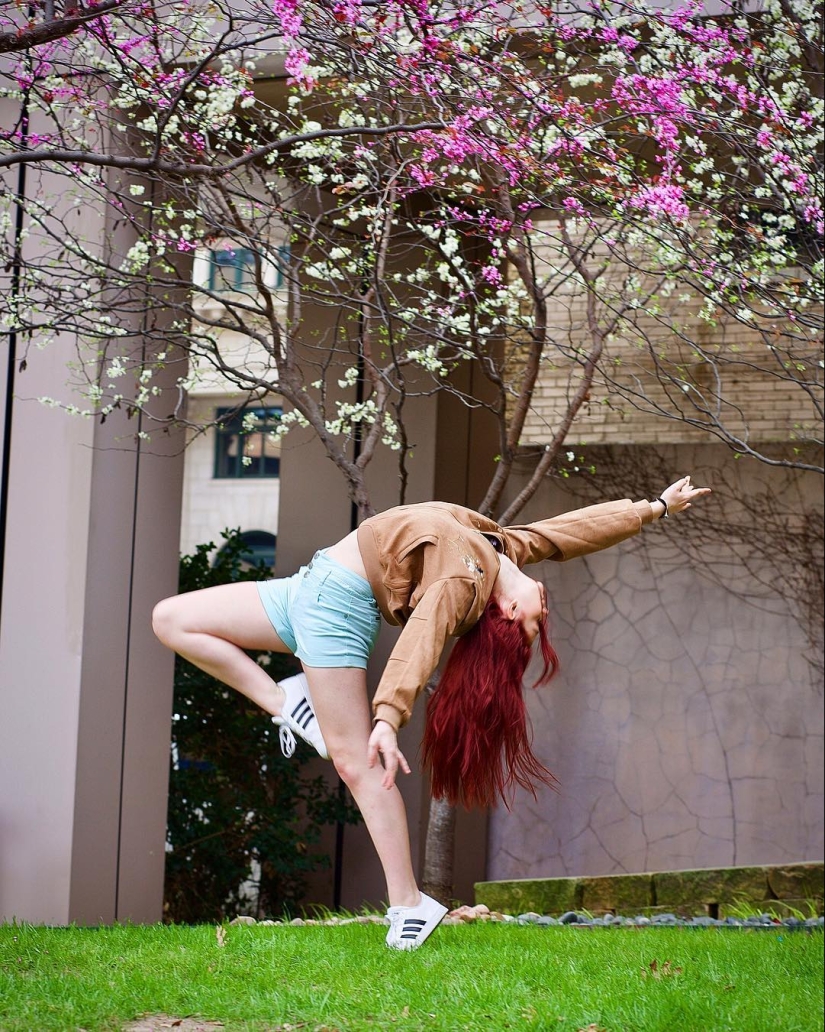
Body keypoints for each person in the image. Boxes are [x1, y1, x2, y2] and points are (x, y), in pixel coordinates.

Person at [153, 475, 710, 949]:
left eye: (533, 626)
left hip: (336, 606)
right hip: (310, 586)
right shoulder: (501, 550)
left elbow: (421, 638)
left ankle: (408, 904)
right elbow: (568, 533)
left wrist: (387, 716)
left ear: (506, 610)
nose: (543, 616)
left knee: (358, 765)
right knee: (172, 620)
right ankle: (287, 702)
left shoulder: (466, 582)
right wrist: (654, 508)